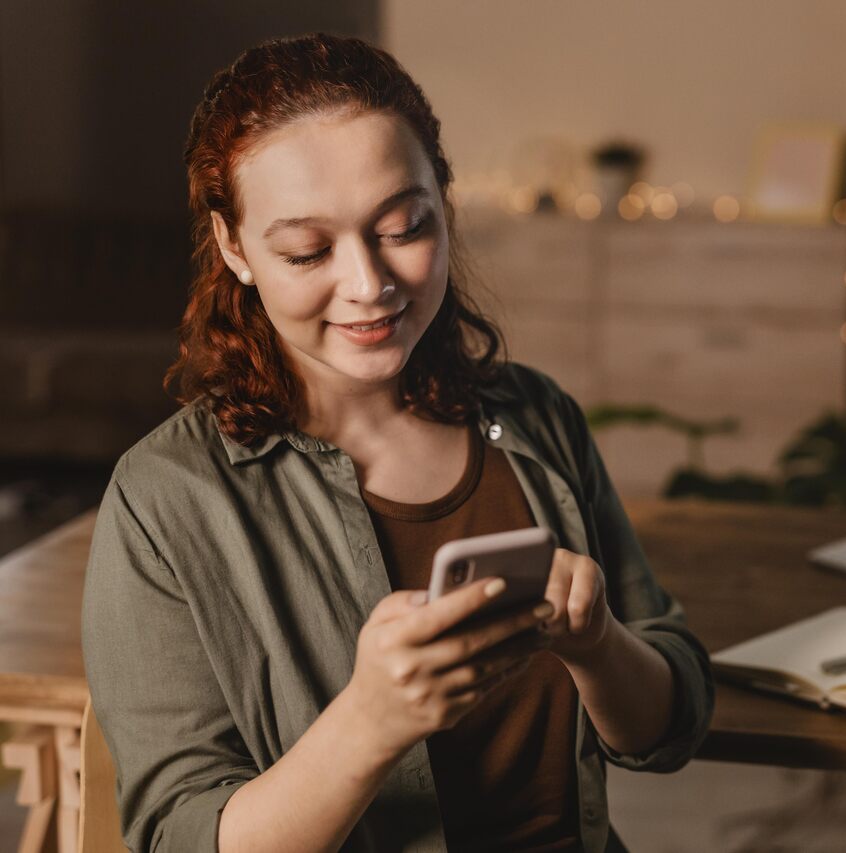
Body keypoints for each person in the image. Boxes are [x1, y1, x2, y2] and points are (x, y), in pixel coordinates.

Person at [80, 32, 714, 853]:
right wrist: (370, 722)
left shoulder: (536, 417)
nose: (369, 284)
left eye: (403, 226)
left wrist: (598, 643)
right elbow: (178, 836)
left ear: (443, 207)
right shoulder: (165, 499)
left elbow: (673, 720)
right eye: (308, 250)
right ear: (234, 246)